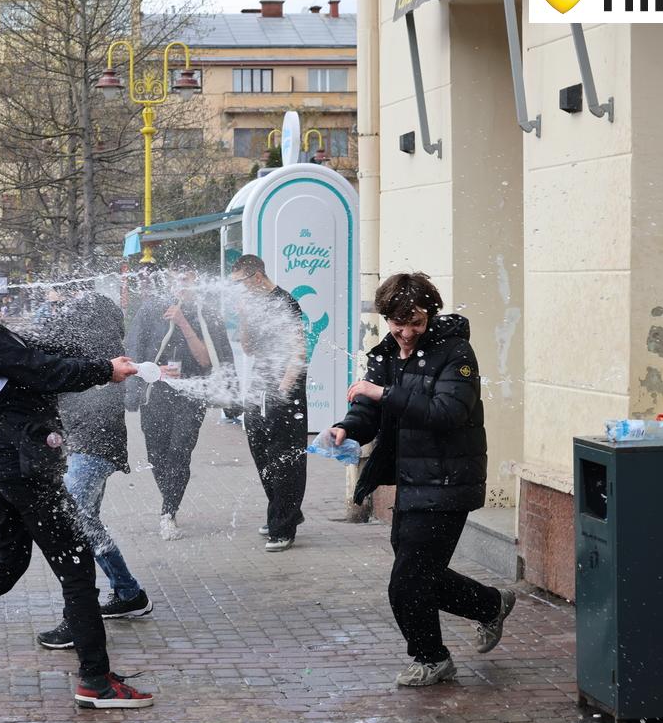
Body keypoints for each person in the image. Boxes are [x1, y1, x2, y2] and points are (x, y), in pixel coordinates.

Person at [0, 246, 154, 709]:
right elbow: (39, 370)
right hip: (22, 467)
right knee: (76, 566)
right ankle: (96, 680)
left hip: (0, 462)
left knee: (10, 563)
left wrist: (106, 360)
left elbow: (33, 351)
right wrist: (102, 371)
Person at [328, 272, 514, 687]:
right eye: (399, 323)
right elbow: (368, 408)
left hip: (449, 480)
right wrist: (348, 428)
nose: (407, 332)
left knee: (408, 581)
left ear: (429, 314)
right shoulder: (385, 353)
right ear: (386, 318)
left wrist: (382, 395)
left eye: (416, 322)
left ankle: (431, 657)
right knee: (420, 575)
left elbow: (449, 412)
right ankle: (490, 604)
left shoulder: (456, 353)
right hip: (411, 480)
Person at [33, 285, 153, 637]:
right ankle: (128, 592)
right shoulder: (98, 348)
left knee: (73, 517)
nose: (63, 315)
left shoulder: (96, 353)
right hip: (88, 445)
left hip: (93, 447)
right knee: (84, 519)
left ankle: (104, 600)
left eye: (69, 309)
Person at [128, 270, 233, 542]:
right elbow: (134, 353)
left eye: (187, 279)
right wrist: (153, 372)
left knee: (179, 452)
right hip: (156, 395)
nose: (182, 285)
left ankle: (168, 512)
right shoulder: (151, 310)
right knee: (157, 456)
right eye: (177, 279)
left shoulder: (205, 314)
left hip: (190, 396)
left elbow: (207, 361)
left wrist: (183, 322)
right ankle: (170, 498)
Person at [230, 254, 310, 552]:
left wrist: (283, 391)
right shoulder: (255, 304)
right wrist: (243, 316)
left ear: (257, 277)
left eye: (240, 284)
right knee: (260, 449)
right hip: (260, 385)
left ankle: (283, 526)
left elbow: (298, 352)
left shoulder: (284, 303)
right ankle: (284, 510)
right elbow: (249, 349)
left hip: (283, 389)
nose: (238, 290)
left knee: (284, 457)